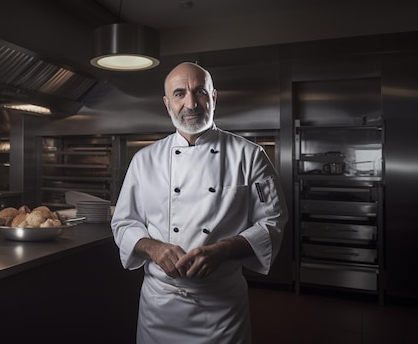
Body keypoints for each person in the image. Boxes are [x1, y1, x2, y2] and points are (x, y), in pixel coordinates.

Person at [110, 62, 288, 344]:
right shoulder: (144, 160)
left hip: (221, 308)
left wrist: (223, 250)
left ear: (213, 98)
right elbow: (124, 223)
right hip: (160, 306)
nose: (191, 103)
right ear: (167, 103)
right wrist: (153, 247)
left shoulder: (250, 156)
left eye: (199, 92)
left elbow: (272, 222)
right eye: (180, 94)